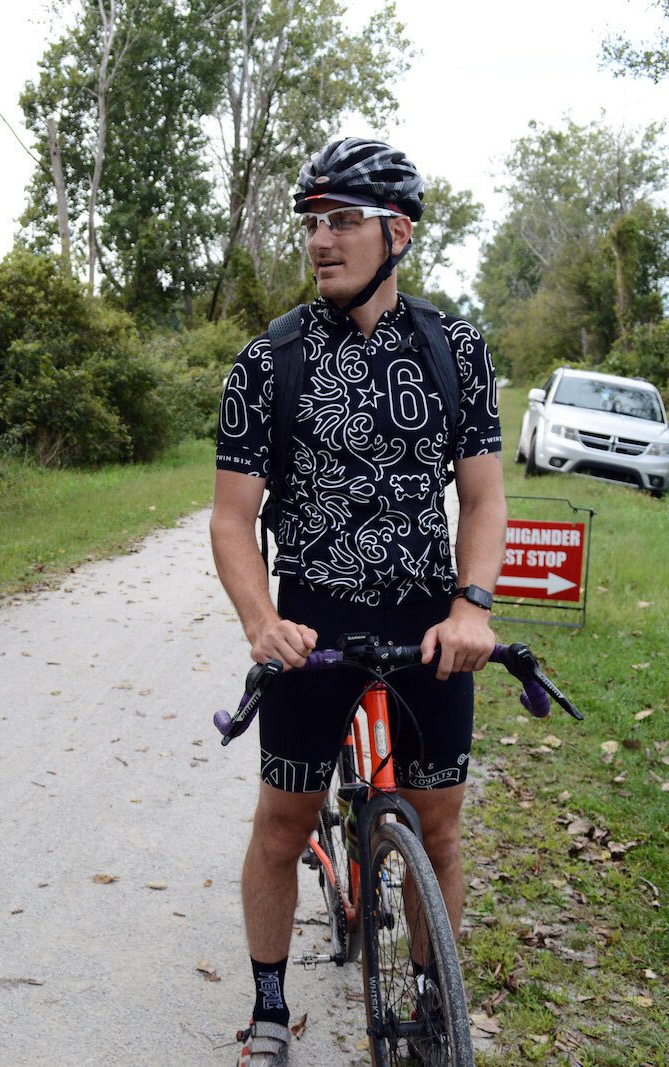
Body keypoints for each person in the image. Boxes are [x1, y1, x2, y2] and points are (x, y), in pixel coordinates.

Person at [210, 137, 505, 1065]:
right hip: (311, 624)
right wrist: (262, 623)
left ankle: (428, 998)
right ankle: (266, 1006)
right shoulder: (269, 361)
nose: (321, 240)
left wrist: (474, 607)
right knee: (282, 821)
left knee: (441, 826)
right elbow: (231, 519)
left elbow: (485, 496)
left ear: (397, 233)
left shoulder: (455, 348)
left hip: (429, 625)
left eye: (342, 221)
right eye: (312, 222)